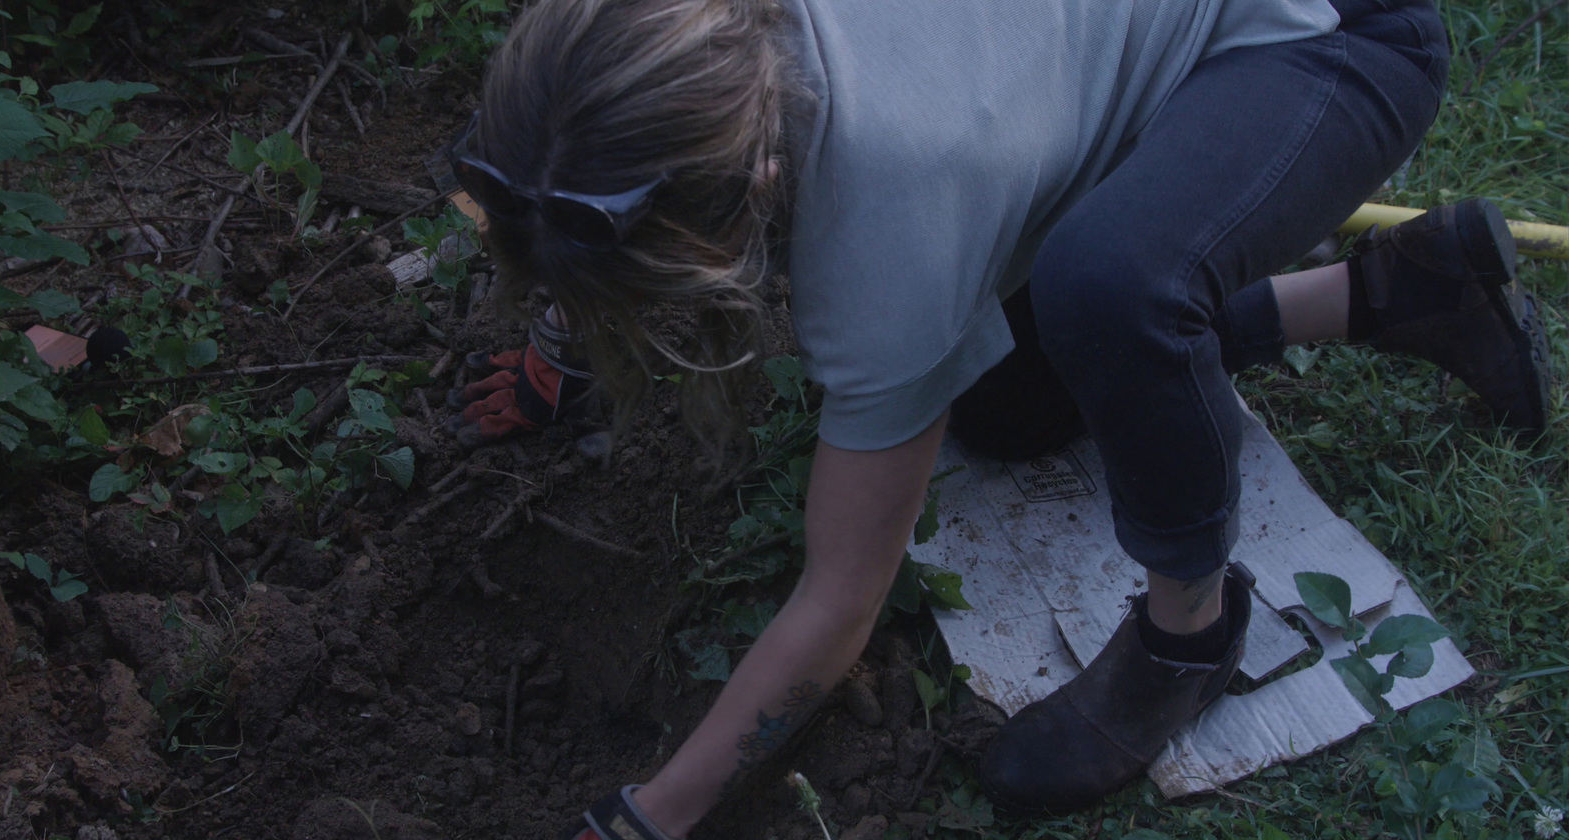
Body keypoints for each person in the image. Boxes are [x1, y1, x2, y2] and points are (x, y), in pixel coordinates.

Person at [442, 0, 1552, 835]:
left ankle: (1190, 632)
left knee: (1108, 289)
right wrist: (563, 347)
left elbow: (840, 599)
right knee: (1010, 401)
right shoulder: (668, 40)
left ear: (756, 183)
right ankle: (1407, 290)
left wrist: (655, 815)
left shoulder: (886, 244)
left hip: (1331, 37)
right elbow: (581, 172)